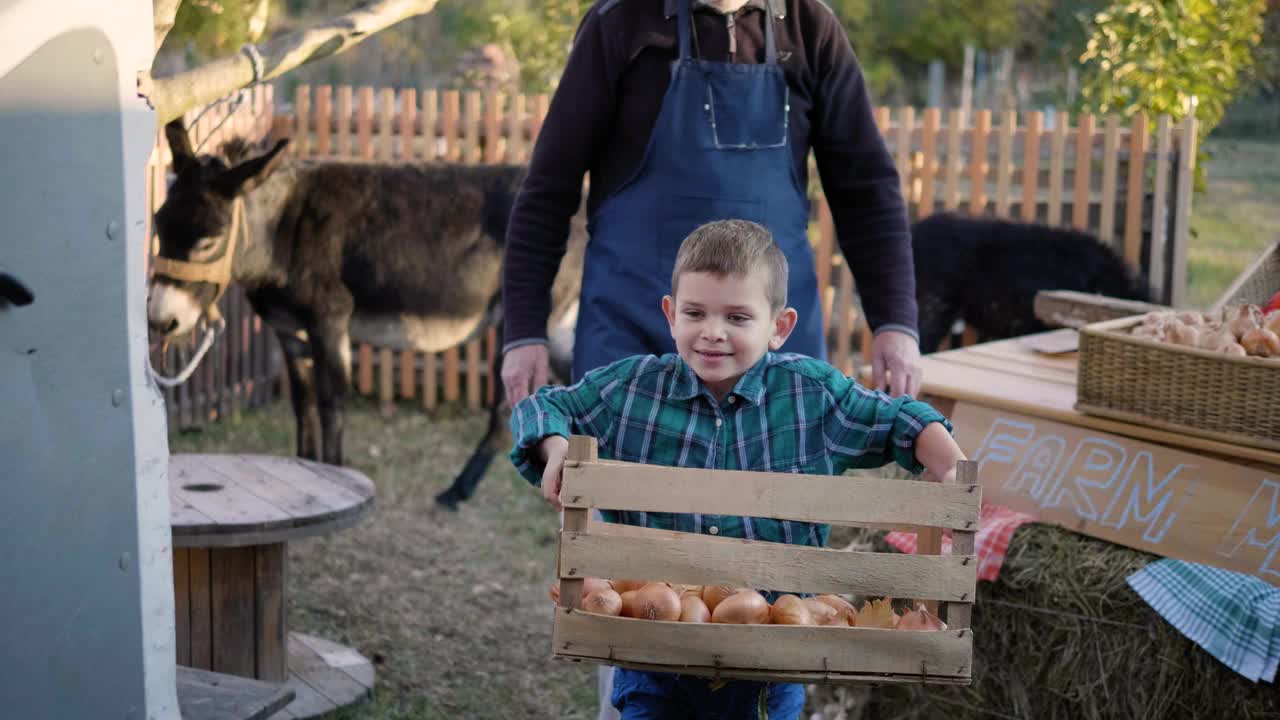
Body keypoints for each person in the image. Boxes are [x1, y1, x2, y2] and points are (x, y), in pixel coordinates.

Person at [509, 220, 966, 720]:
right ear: (670, 314)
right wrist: (554, 446)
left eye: (738, 317)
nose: (712, 332)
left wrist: (945, 460)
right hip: (655, 649)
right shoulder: (633, 391)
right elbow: (545, 406)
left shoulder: (811, 396)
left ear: (779, 327)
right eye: (695, 312)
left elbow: (896, 418)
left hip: (773, 658)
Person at [501, 0, 923, 410]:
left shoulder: (811, 28)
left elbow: (867, 192)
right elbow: (547, 192)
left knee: (779, 483)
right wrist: (523, 333)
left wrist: (895, 322)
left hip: (772, 348)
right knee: (625, 482)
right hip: (634, 341)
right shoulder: (620, 22)